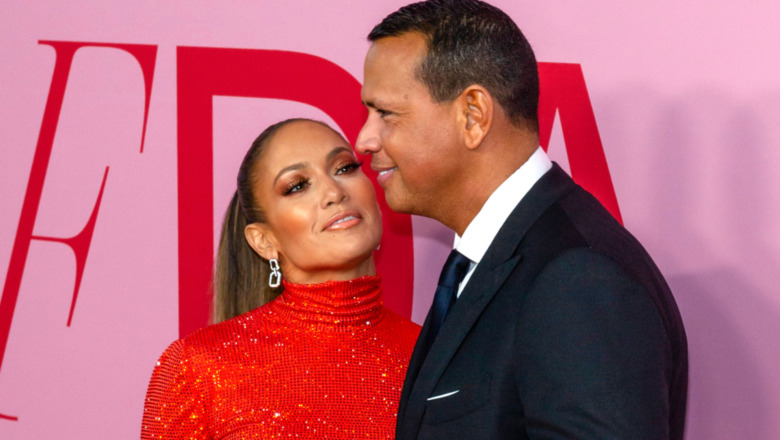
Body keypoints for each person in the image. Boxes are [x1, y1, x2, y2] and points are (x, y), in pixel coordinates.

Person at [355, 1, 688, 439]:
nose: (365, 139)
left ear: (473, 115)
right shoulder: (499, 258)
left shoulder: (578, 283)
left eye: (386, 114)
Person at [141, 119, 420, 439]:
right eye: (297, 186)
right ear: (263, 241)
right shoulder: (197, 369)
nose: (333, 192)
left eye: (344, 167)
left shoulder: (435, 356)